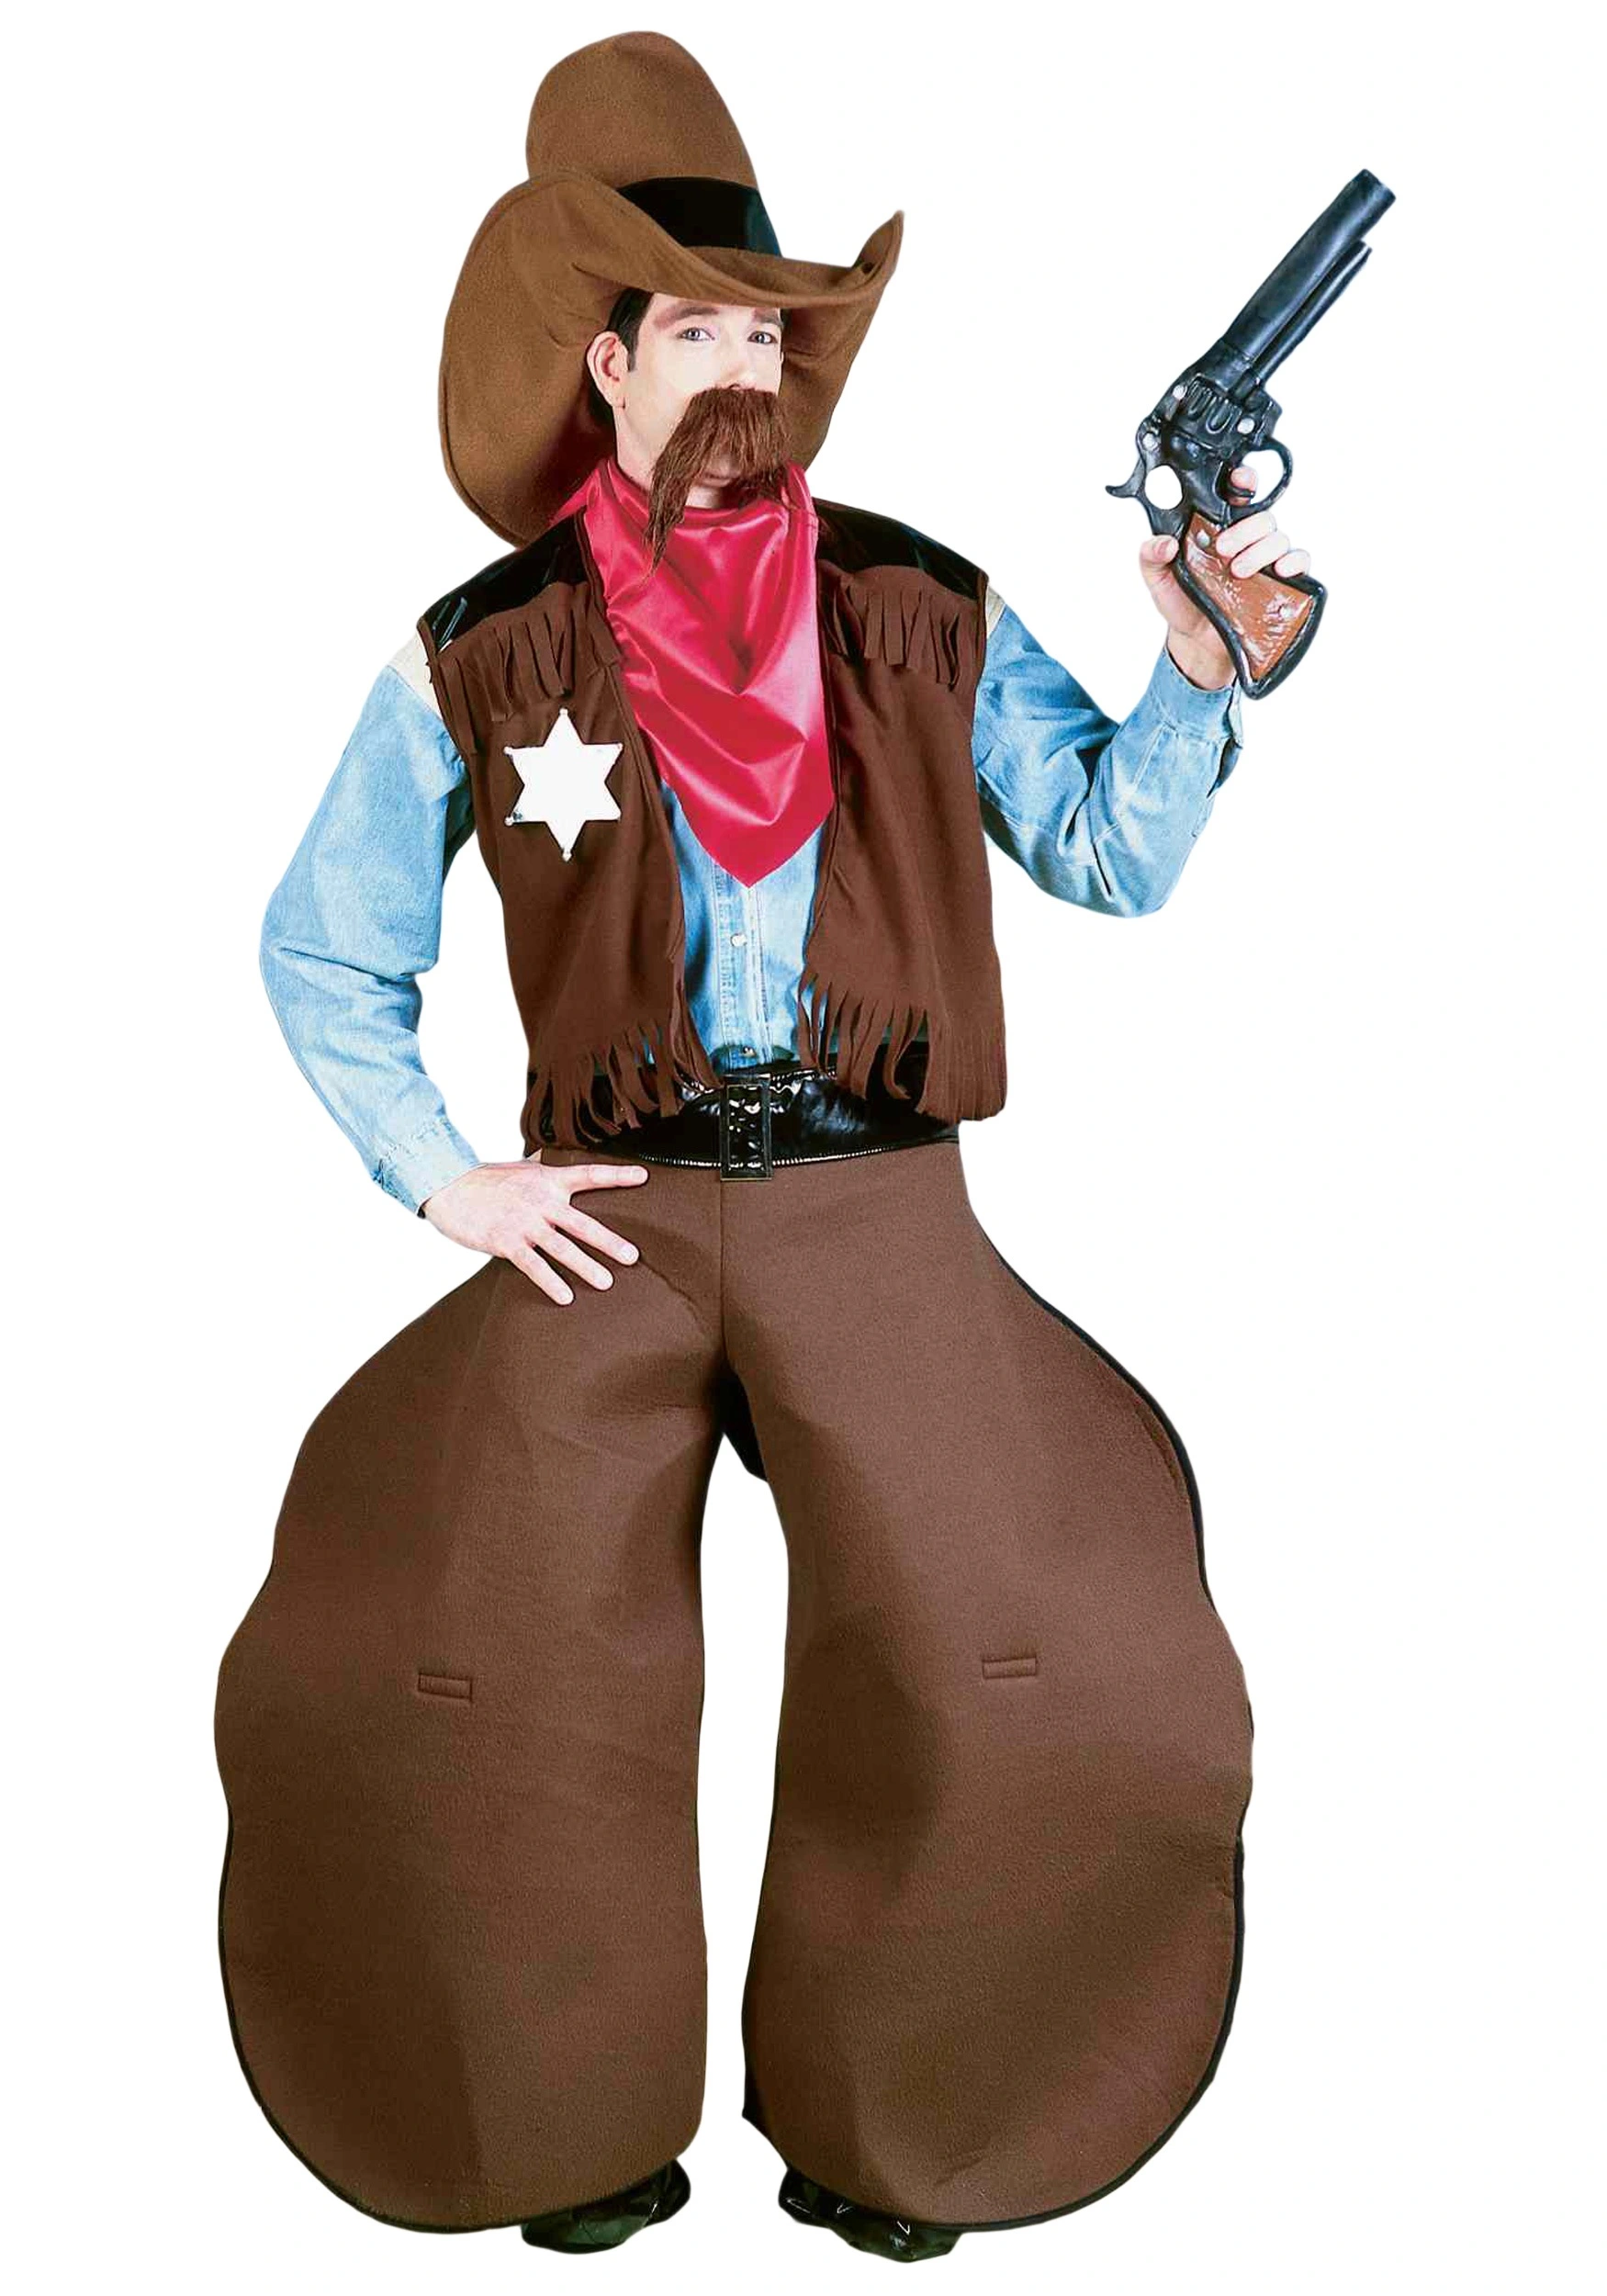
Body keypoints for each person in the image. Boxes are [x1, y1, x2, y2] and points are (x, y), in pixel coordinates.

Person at [217, 30, 1292, 2261]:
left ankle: (918, 2128)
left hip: (872, 1200)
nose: (740, 368)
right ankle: (552, 2124)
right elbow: (323, 944)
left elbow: (1104, 853)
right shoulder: (486, 652)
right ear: (604, 366)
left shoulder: (916, 608)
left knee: (1003, 1649)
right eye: (695, 330)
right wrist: (445, 1175)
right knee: (486, 1663)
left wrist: (1200, 673)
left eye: (765, 336)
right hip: (605, 1213)